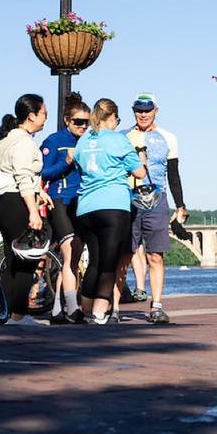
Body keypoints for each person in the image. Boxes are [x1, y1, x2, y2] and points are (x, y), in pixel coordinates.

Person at [74, 98, 146, 325]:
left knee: (94, 259)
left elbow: (78, 166)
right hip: (114, 206)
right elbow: (140, 173)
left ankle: (85, 309)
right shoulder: (119, 140)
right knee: (109, 261)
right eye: (117, 119)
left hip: (86, 207)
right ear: (112, 117)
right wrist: (140, 159)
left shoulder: (84, 140)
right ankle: (98, 312)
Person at [120, 92, 186, 324]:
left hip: (157, 199)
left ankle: (156, 306)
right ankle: (115, 309)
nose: (143, 114)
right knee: (124, 254)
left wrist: (180, 205)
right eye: (139, 110)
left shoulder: (168, 137)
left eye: (147, 110)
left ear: (156, 111)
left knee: (155, 255)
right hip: (128, 199)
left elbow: (174, 174)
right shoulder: (123, 137)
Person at [0, 94, 51, 326]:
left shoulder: (8, 140)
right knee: (27, 261)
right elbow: (24, 178)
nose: (45, 118)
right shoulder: (24, 142)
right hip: (18, 203)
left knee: (11, 262)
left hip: (4, 204)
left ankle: (5, 314)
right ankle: (18, 315)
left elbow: (15, 174)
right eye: (44, 113)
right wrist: (33, 211)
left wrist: (39, 192)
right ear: (31, 115)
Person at [39, 92, 90, 324]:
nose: (83, 126)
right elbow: (43, 173)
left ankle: (58, 310)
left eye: (86, 122)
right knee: (69, 252)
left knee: (74, 256)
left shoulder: (87, 142)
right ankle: (72, 307)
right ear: (67, 120)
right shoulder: (54, 141)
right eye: (79, 122)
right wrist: (66, 162)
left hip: (80, 201)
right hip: (59, 200)